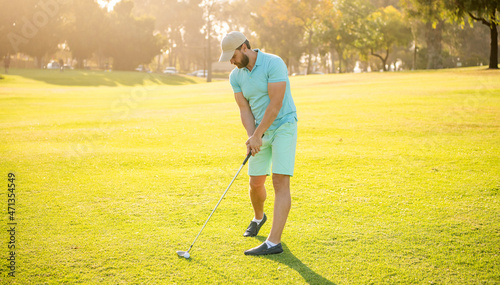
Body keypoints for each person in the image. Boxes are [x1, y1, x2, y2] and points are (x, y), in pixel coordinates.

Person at [219, 31, 298, 256]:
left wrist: (258, 135)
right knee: (255, 183)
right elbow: (244, 109)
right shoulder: (236, 76)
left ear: (244, 47)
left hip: (284, 125)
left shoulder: (274, 63)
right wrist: (251, 136)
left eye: (232, 56)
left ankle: (274, 243)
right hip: (259, 132)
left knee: (279, 181)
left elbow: (275, 104)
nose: (231, 62)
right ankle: (258, 217)